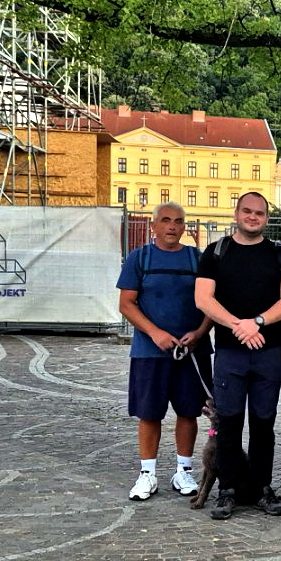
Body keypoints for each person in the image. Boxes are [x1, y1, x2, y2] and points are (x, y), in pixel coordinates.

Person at [195, 191, 281, 519]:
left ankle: (261, 488)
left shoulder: (280, 254)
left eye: (259, 213)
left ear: (266, 218)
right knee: (229, 423)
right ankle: (227, 490)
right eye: (247, 211)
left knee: (264, 423)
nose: (253, 217)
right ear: (237, 213)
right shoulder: (216, 252)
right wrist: (237, 325)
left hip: (267, 354)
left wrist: (257, 322)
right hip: (230, 353)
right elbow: (203, 298)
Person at [117, 202, 214, 500]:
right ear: (154, 225)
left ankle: (183, 471)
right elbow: (126, 304)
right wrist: (155, 333)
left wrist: (200, 333)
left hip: (191, 352)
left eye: (179, 221)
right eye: (166, 220)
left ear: (185, 226)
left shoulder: (197, 259)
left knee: (189, 412)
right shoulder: (140, 258)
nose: (172, 226)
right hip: (149, 352)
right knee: (149, 413)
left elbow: (212, 302)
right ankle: (147, 474)